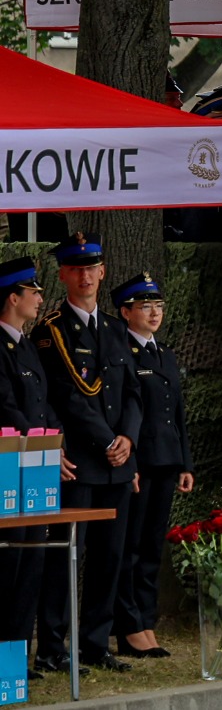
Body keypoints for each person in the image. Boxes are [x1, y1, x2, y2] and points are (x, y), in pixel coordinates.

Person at [31, 233, 143, 671]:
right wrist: (108, 440)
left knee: (109, 557)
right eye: (76, 269)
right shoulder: (51, 331)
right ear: (62, 275)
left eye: (91, 268)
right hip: (78, 460)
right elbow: (66, 396)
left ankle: (95, 643)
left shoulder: (115, 329)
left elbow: (132, 391)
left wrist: (128, 438)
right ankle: (53, 646)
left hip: (118, 463)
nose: (85, 276)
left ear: (102, 272)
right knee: (64, 557)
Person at [110, 274, 193, 660]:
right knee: (131, 546)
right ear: (126, 312)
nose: (155, 313)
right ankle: (128, 626)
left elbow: (177, 414)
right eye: (145, 307)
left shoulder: (165, 353)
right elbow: (124, 414)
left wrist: (184, 463)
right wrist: (131, 464)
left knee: (151, 548)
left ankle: (146, 621)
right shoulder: (122, 352)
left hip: (166, 461)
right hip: (139, 462)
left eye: (158, 306)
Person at [0, 257, 73, 672]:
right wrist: (41, 444)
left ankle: (16, 663)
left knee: (31, 564)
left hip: (38, 464)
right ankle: (4, 663)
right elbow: (6, 407)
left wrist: (55, 442)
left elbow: (45, 405)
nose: (40, 299)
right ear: (13, 298)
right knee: (9, 566)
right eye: (33, 292)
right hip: (11, 466)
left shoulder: (26, 345)